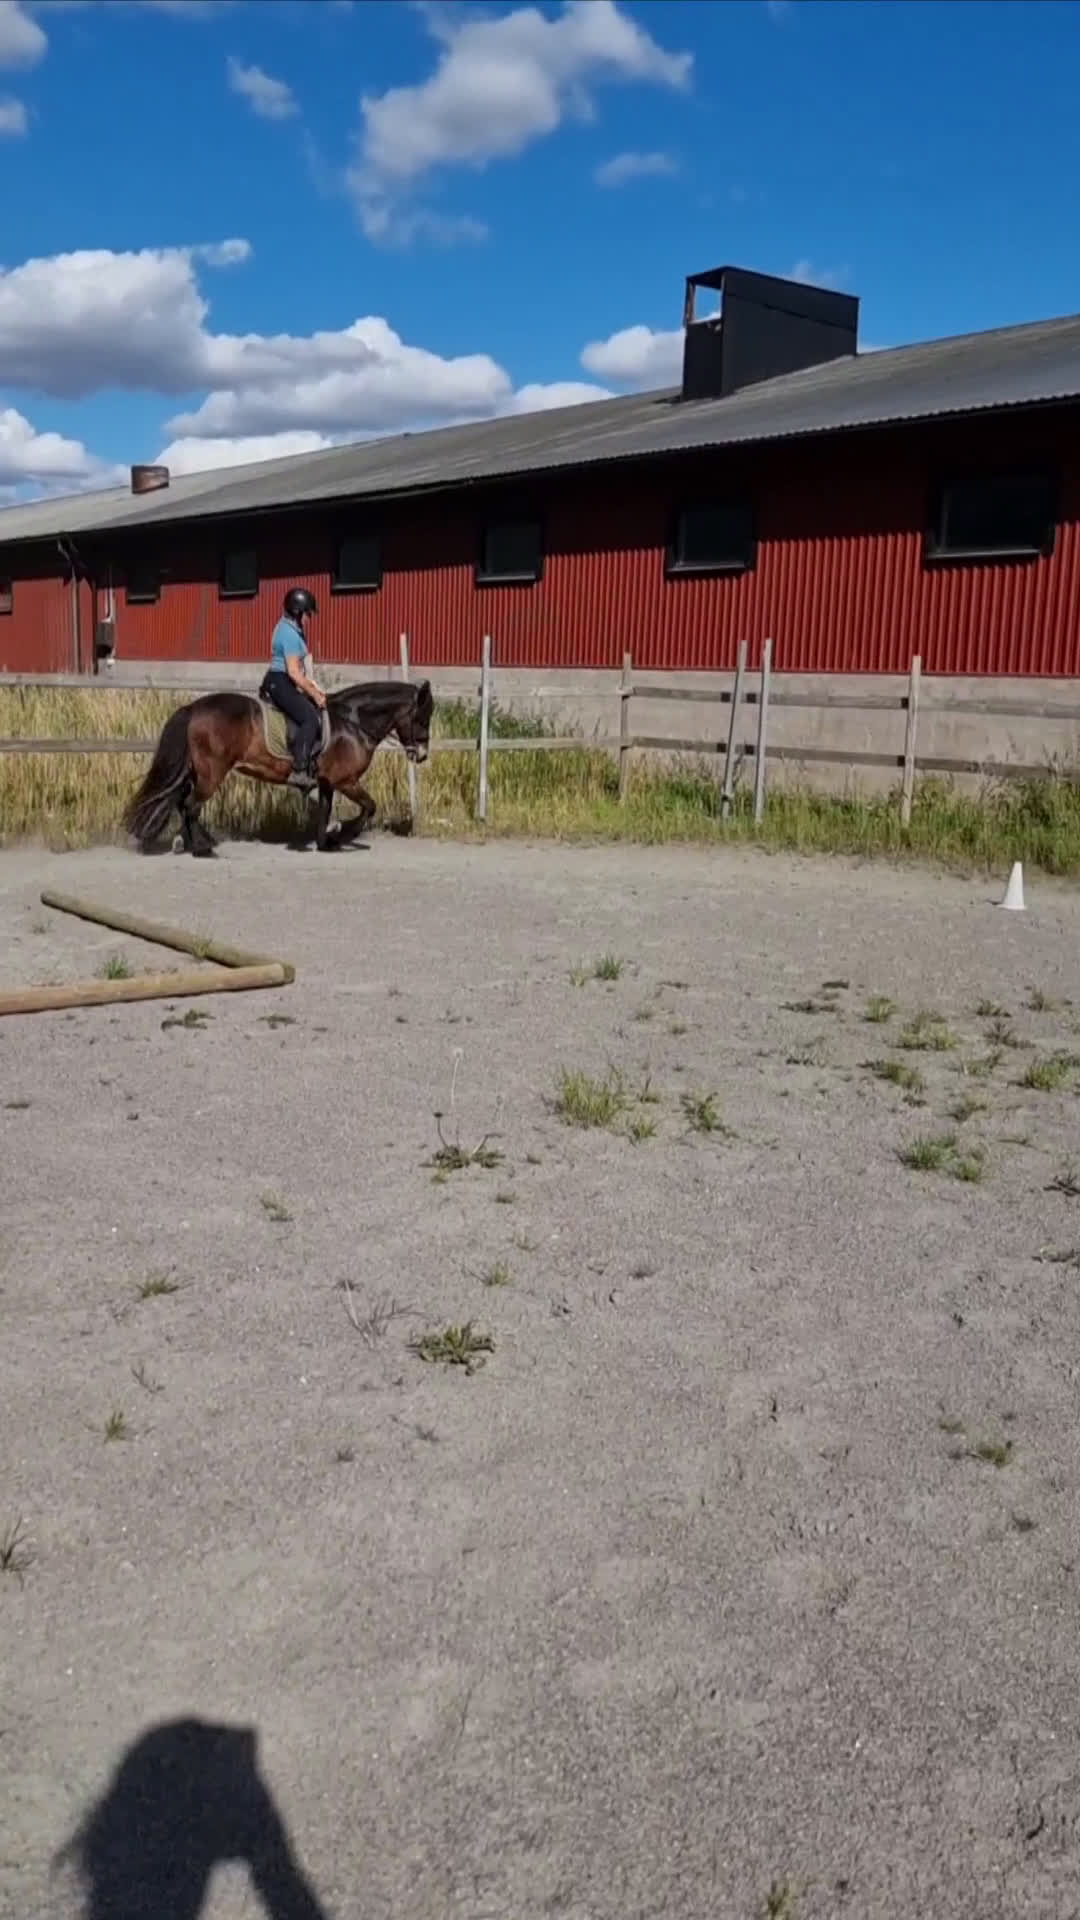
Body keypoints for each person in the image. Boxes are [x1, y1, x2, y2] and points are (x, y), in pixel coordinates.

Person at [259, 587, 327, 791]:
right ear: (297, 612)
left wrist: (314, 688)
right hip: (280, 681)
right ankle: (299, 770)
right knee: (310, 719)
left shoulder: (290, 628)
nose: (308, 618)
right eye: (307, 614)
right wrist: (314, 695)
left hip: (283, 680)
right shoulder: (288, 634)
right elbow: (294, 672)